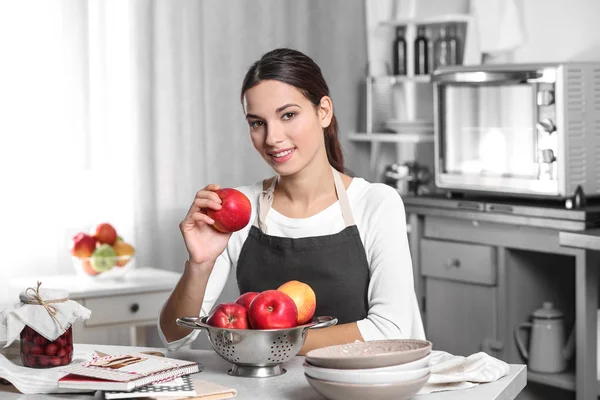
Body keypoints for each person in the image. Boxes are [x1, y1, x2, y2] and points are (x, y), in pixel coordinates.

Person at [158, 48, 425, 354]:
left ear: (323, 111)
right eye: (257, 123)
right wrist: (200, 265)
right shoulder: (244, 208)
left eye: (288, 115)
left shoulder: (376, 203)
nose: (272, 137)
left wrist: (264, 343)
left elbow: (389, 330)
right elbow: (175, 335)